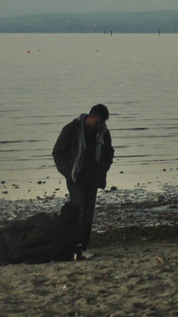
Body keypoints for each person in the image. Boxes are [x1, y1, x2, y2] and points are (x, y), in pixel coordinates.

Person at [51, 103, 113, 258]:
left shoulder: (104, 132)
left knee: (88, 215)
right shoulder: (71, 129)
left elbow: (109, 153)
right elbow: (57, 152)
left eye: (102, 123)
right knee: (78, 214)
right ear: (90, 117)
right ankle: (74, 248)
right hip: (76, 178)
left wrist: (102, 170)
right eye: (97, 122)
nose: (99, 126)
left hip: (93, 179)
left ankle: (83, 248)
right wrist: (68, 172)